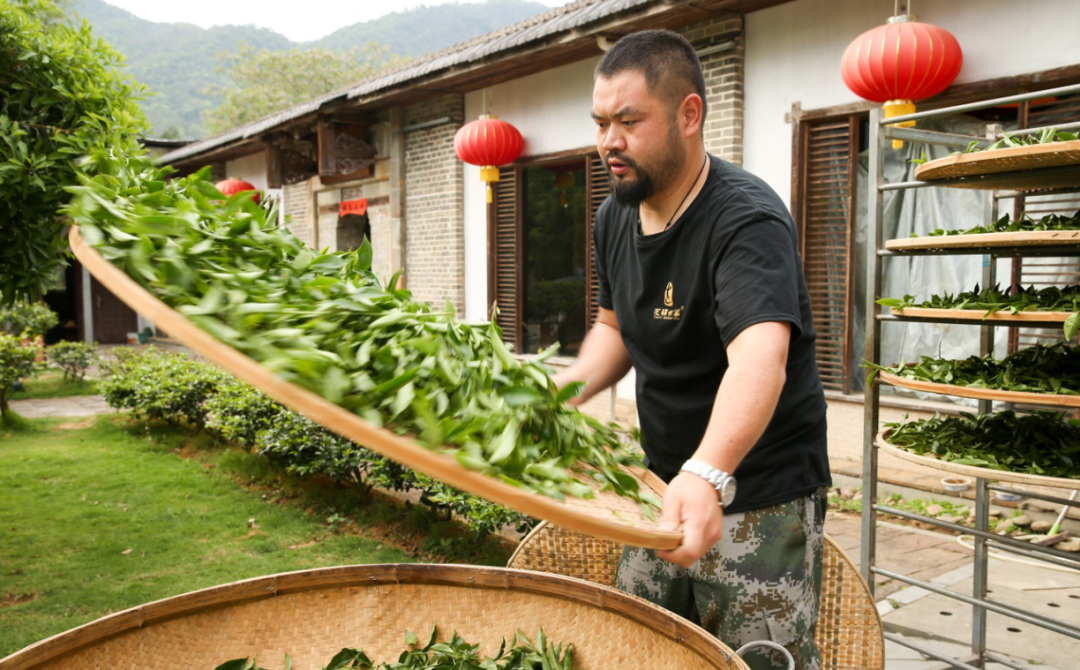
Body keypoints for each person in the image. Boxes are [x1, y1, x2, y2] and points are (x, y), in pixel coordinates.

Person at [551, 30, 831, 670]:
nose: (608, 142)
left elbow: (760, 356)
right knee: (642, 647)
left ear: (689, 114)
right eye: (600, 123)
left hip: (758, 492)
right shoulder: (614, 214)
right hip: (659, 485)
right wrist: (553, 397)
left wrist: (709, 472)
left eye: (628, 121)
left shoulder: (745, 219)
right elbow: (615, 328)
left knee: (753, 660)